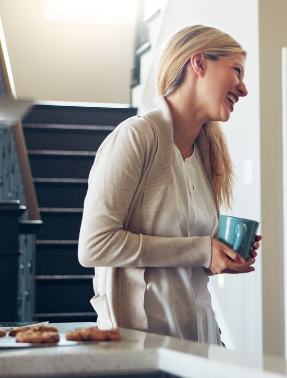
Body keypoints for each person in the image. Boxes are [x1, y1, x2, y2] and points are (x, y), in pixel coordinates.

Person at [78, 25, 261, 345]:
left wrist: (219, 256)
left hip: (201, 341)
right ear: (199, 63)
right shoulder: (136, 138)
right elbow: (95, 245)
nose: (243, 89)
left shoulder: (205, 153)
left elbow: (180, 263)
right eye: (237, 71)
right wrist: (201, 251)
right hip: (143, 347)